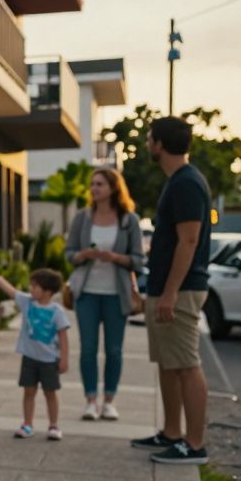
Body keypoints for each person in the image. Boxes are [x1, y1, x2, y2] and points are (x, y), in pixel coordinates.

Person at [131, 116, 212, 464]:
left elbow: (189, 240)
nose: (148, 143)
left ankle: (194, 445)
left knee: (186, 365)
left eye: (150, 137)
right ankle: (171, 432)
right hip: (167, 288)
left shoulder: (187, 184)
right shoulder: (178, 182)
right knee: (168, 363)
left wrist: (169, 293)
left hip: (179, 290)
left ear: (160, 143)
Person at [65, 168, 145, 421]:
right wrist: (83, 256)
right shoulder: (82, 218)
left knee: (114, 350)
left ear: (113, 188)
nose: (94, 188)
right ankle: (90, 400)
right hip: (86, 293)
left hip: (116, 294)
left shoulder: (128, 220)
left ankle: (109, 401)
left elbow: (138, 260)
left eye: (99, 184)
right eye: (92, 184)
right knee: (88, 349)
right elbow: (69, 254)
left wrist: (115, 258)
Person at [0, 267, 70, 440]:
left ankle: (53, 425)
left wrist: (64, 359)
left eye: (34, 286)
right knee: (28, 392)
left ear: (47, 291)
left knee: (50, 393)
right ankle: (27, 424)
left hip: (49, 360)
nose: (30, 289)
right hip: (29, 358)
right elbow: (10, 290)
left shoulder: (57, 311)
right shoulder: (27, 302)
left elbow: (63, 336)